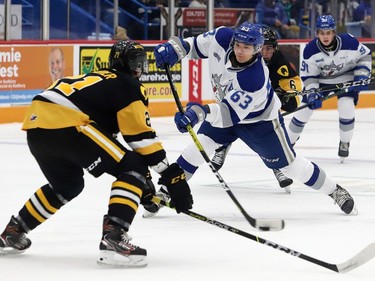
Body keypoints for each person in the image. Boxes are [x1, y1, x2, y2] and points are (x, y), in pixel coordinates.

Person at [0, 40, 193, 267]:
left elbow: (109, 144)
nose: (139, 69)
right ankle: (114, 237)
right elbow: (140, 138)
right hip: (68, 125)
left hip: (36, 128)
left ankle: (14, 231)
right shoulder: (129, 85)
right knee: (133, 167)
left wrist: (144, 185)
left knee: (67, 186)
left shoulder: (98, 79)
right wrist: (172, 176)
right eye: (137, 63)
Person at [145, 22, 358, 218]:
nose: (240, 50)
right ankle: (165, 193)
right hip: (224, 111)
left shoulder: (254, 77)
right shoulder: (221, 37)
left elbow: (228, 113)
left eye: (246, 47)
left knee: (290, 167)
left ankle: (334, 190)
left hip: (260, 123)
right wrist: (176, 49)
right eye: (238, 44)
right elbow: (195, 46)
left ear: (257, 49)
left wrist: (198, 113)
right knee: (195, 150)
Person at [210, 25, 302, 192]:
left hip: (262, 110)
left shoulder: (280, 63)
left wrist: (289, 95)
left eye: (269, 48)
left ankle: (278, 167)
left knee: (265, 136)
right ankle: (222, 147)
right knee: (227, 123)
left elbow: (293, 85)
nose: (266, 53)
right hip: (238, 103)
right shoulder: (241, 61)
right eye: (263, 48)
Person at [287, 15, 372, 163]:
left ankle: (345, 142)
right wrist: (313, 94)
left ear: (334, 32)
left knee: (347, 107)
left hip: (346, 79)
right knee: (304, 111)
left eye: (328, 33)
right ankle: (287, 144)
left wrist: (361, 75)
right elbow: (309, 77)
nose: (325, 37)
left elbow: (365, 56)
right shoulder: (310, 50)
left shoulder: (350, 42)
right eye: (321, 33)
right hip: (321, 82)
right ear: (317, 34)